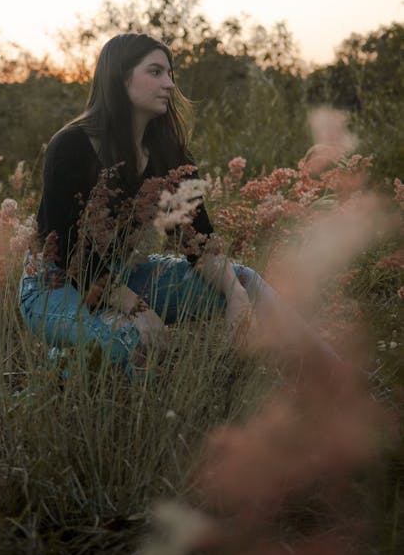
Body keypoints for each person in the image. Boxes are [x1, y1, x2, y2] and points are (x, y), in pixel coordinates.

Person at [18, 33, 331, 374]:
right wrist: (137, 310)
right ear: (120, 78)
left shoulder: (169, 154)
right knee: (131, 348)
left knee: (245, 280)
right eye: (155, 72)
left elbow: (199, 240)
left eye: (170, 73)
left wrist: (235, 295)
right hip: (56, 285)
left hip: (126, 275)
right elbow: (69, 254)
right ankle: (62, 369)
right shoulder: (71, 146)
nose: (169, 84)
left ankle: (331, 373)